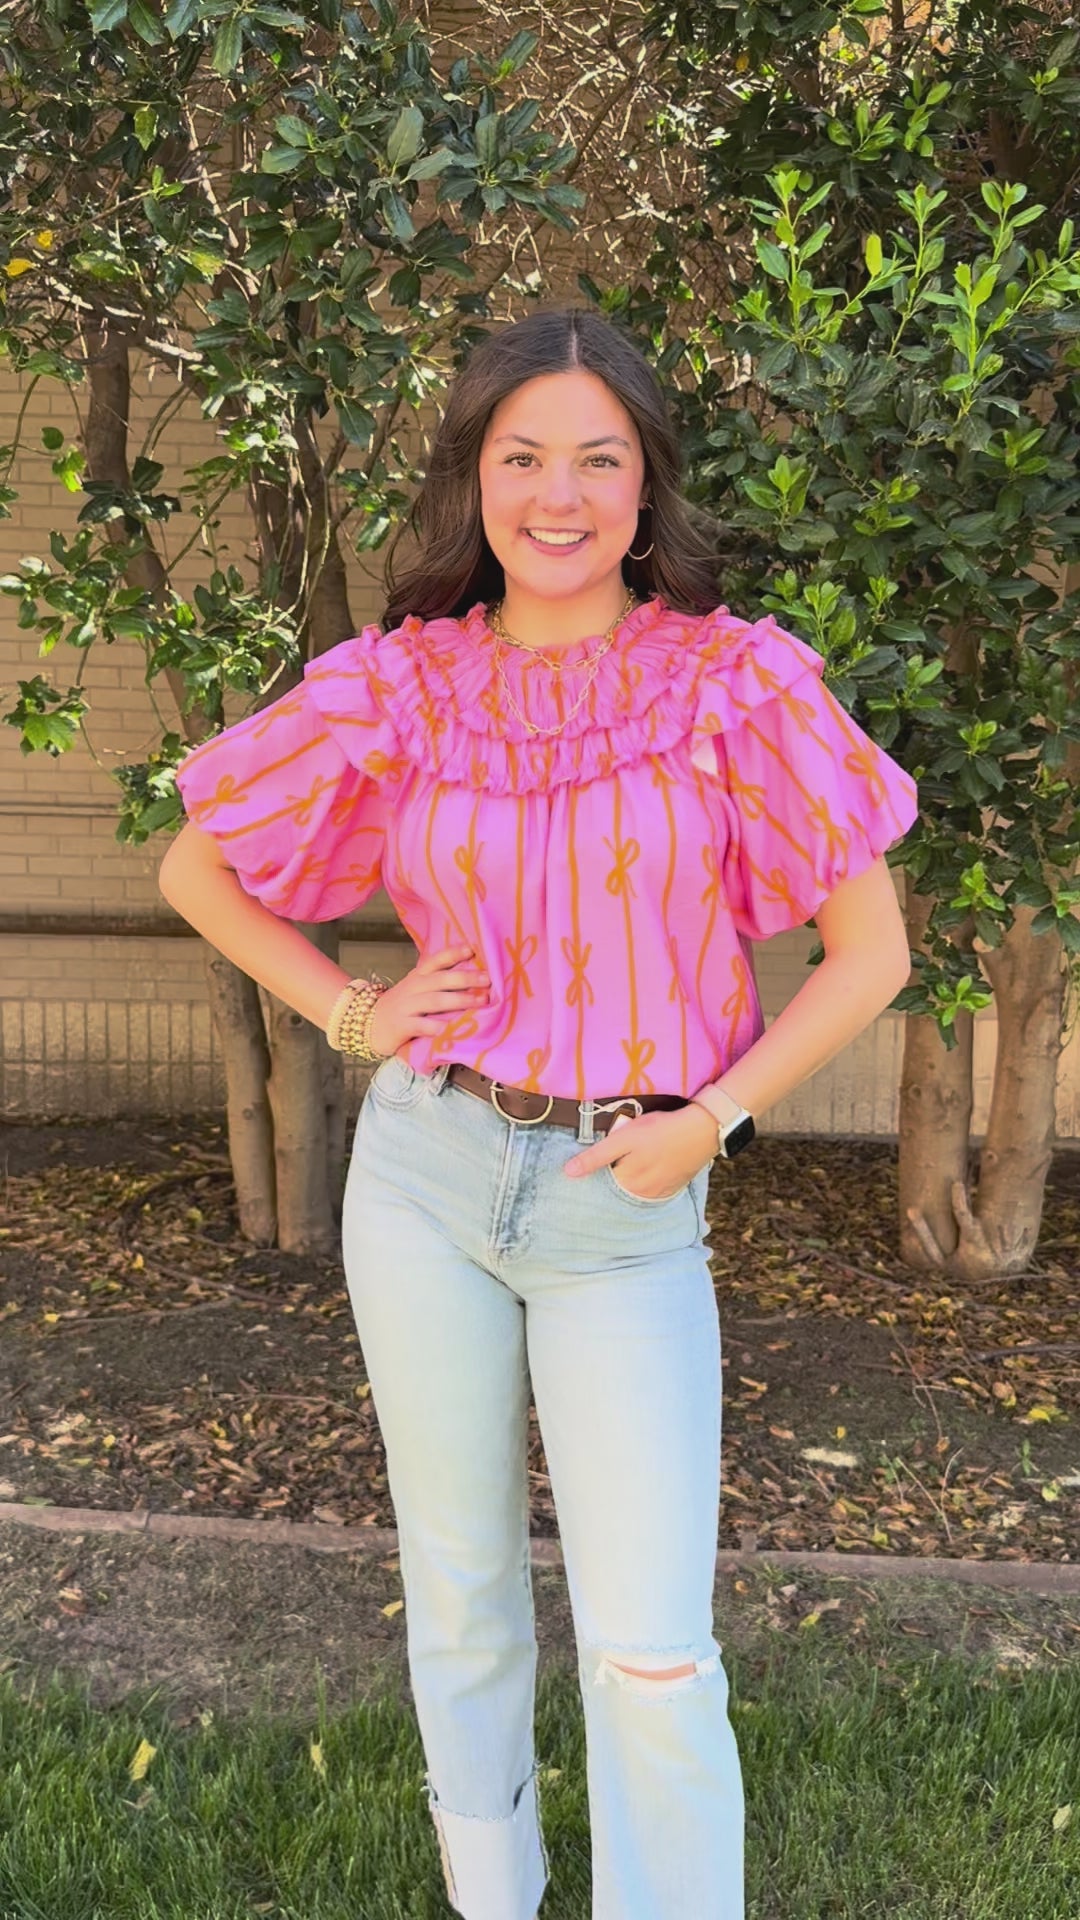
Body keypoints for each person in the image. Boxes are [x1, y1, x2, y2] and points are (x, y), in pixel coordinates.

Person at [159, 305, 918, 1920]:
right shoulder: (405, 688)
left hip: (623, 1199)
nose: (557, 493)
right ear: (476, 480)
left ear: (647, 487)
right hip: (427, 1171)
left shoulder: (734, 683)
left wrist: (712, 1116)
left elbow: (873, 956)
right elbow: (195, 866)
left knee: (650, 1643)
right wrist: (353, 1012)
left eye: (598, 456)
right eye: (522, 456)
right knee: (465, 1593)